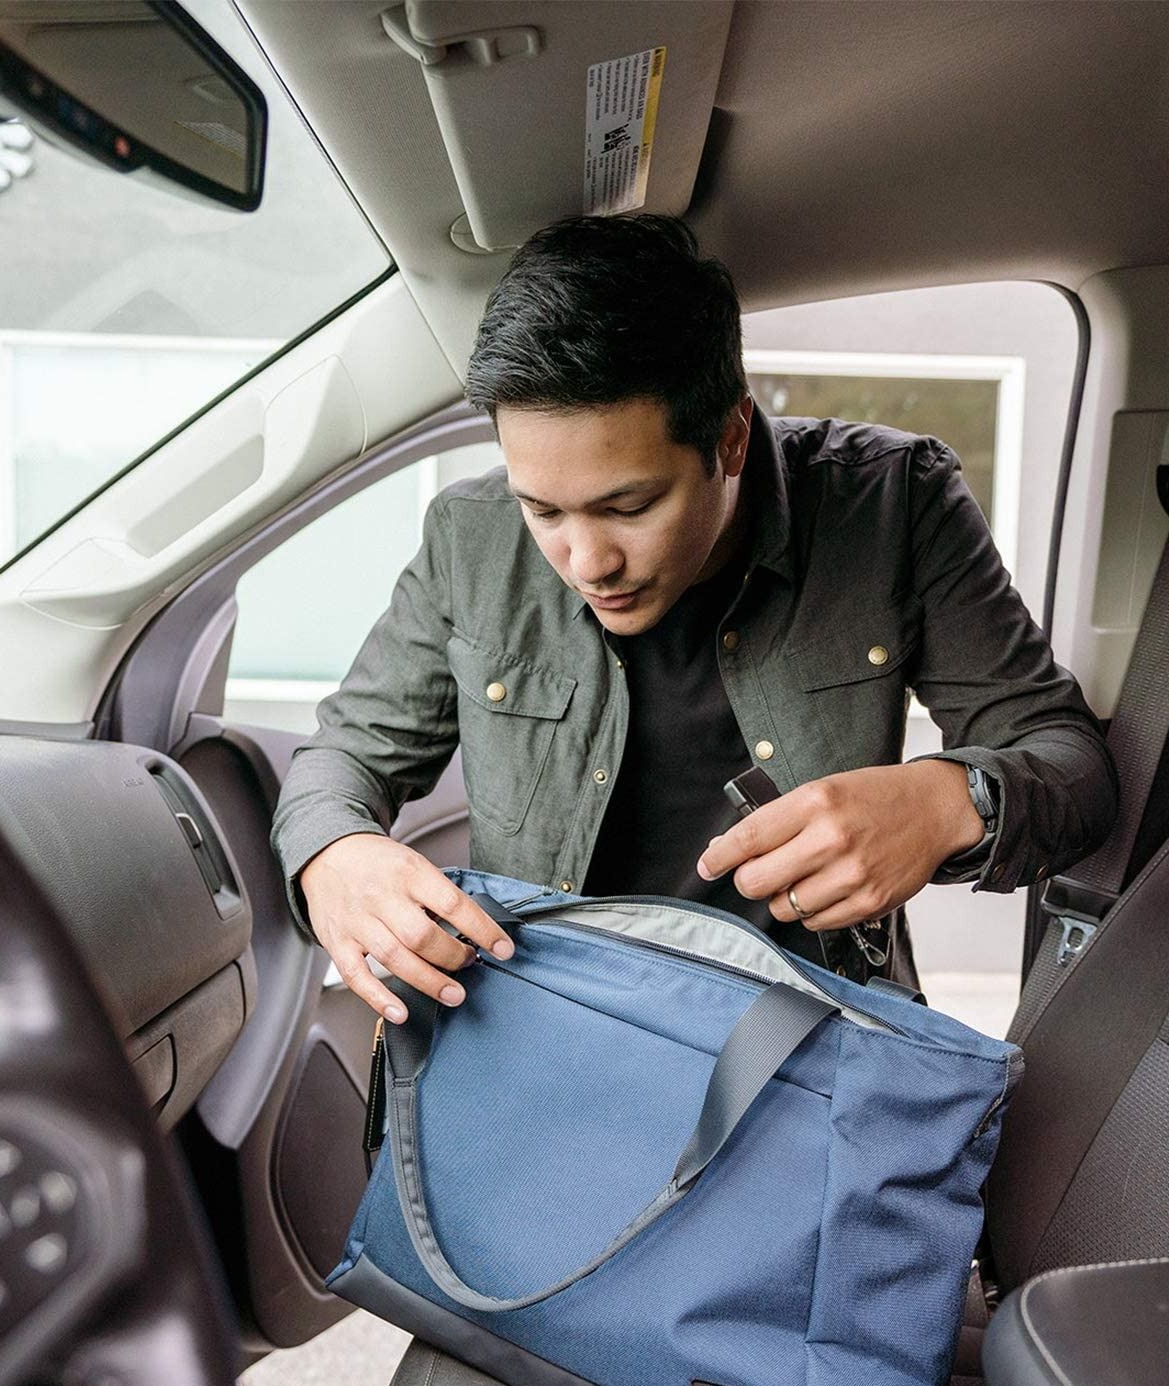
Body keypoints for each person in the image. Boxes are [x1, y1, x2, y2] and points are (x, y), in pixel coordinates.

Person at [271, 214, 1116, 1025]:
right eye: (543, 510)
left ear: (732, 437)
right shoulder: (469, 537)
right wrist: (333, 854)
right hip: (547, 1033)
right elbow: (343, 758)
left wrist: (944, 803)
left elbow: (1072, 764)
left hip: (813, 1039)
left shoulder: (896, 504)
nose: (587, 562)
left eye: (629, 506)